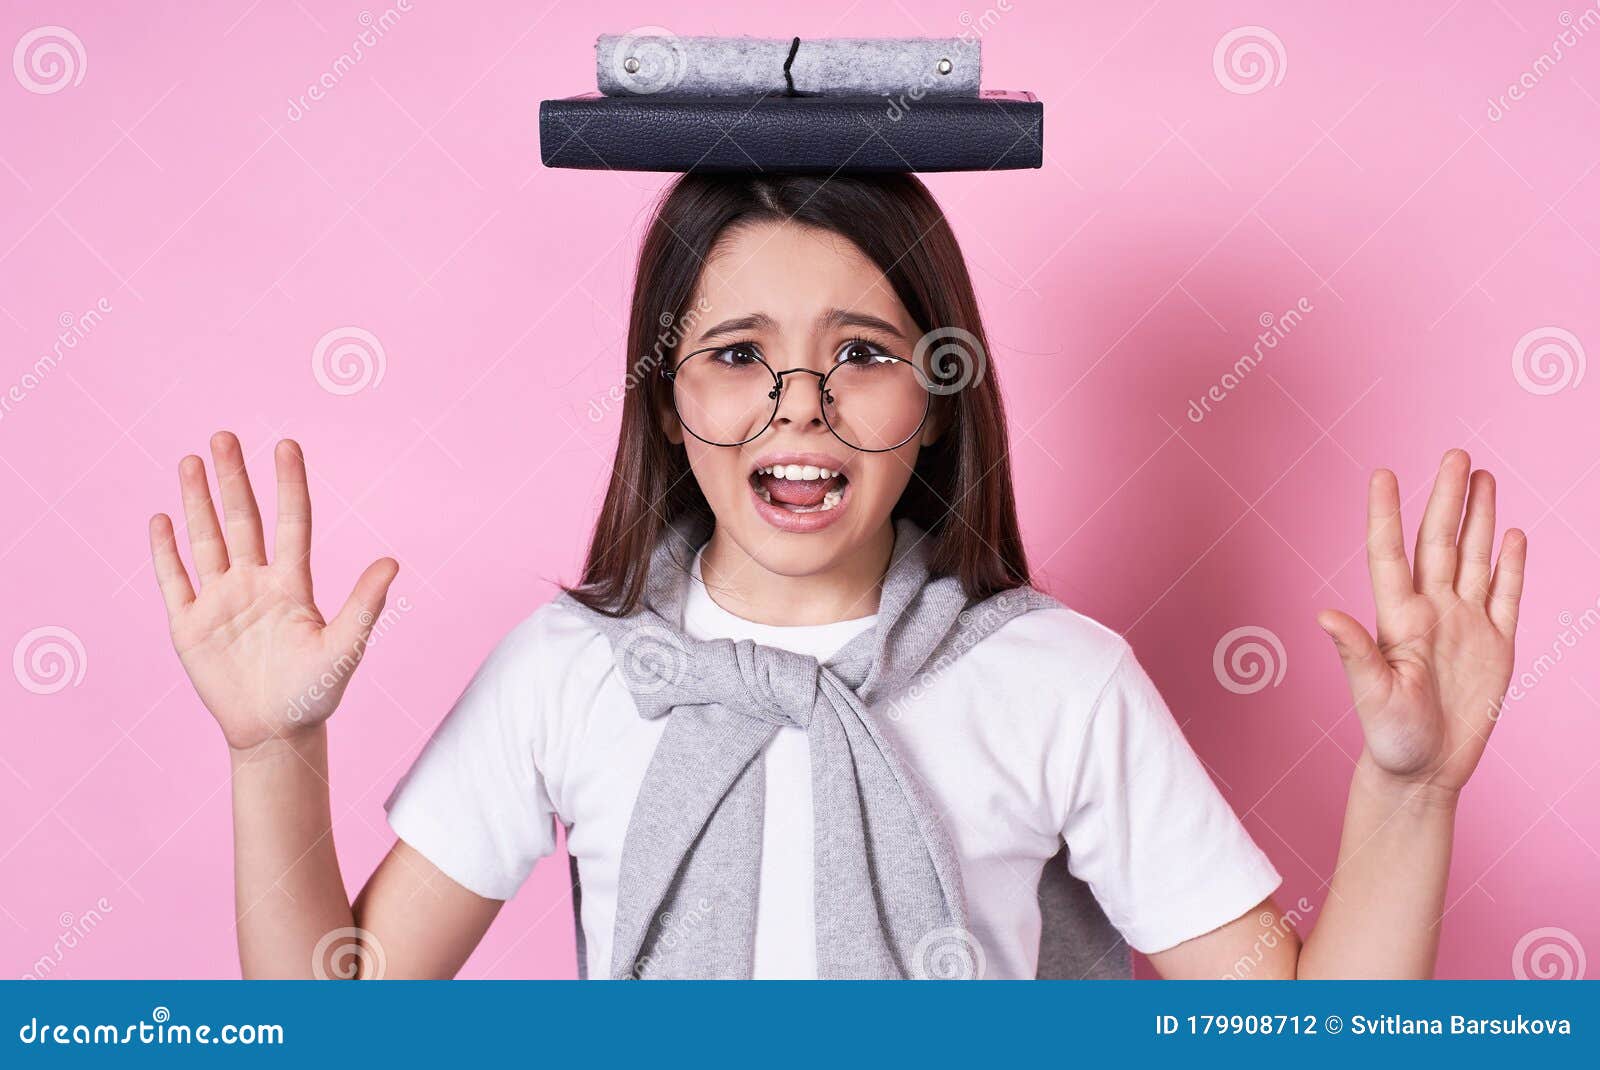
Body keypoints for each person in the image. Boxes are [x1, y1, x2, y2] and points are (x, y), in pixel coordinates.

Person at [145, 174, 1527, 979]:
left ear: (936, 396)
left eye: (862, 351)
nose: (797, 407)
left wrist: (1411, 789)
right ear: (665, 394)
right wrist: (274, 748)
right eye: (737, 353)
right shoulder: (567, 672)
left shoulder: (1055, 678)